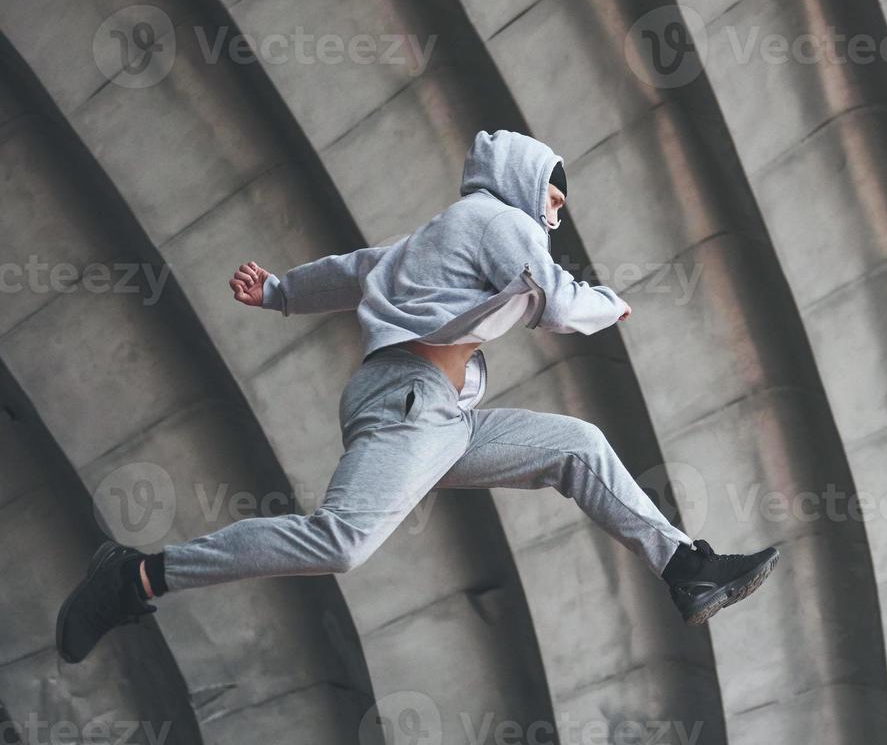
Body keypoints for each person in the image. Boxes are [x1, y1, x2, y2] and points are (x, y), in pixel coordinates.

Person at [56, 129, 779, 664]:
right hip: (408, 402)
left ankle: (685, 568)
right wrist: (607, 303)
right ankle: (138, 574)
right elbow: (559, 306)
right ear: (524, 184)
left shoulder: (437, 235)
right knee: (340, 542)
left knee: (577, 447)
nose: (554, 216)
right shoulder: (500, 221)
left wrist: (279, 292)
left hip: (446, 418)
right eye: (552, 198)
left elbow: (356, 269)